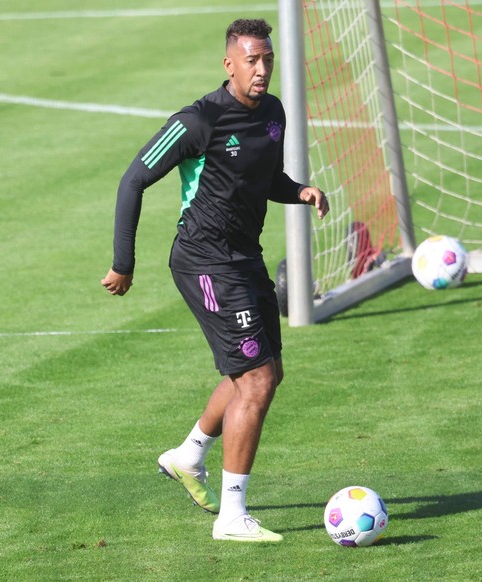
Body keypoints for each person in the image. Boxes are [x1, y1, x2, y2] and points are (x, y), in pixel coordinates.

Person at [101, 18, 329, 542]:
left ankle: (188, 455)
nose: (262, 69)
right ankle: (231, 517)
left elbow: (263, 178)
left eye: (267, 59)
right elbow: (134, 178)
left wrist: (300, 192)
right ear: (229, 64)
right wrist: (123, 263)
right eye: (252, 60)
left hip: (245, 257)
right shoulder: (198, 121)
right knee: (257, 379)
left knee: (265, 370)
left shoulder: (273, 113)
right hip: (204, 262)